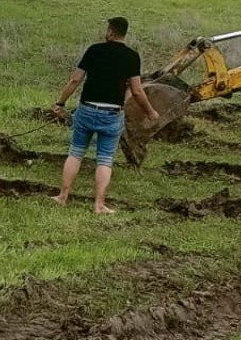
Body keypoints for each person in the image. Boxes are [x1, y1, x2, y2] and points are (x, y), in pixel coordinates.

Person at [52, 17, 161, 214]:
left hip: (86, 110)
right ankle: (99, 205)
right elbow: (136, 91)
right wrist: (151, 112)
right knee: (104, 159)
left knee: (76, 153)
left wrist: (60, 103)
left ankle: (62, 196)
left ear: (110, 31)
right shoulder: (132, 57)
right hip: (111, 114)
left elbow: (75, 79)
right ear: (124, 33)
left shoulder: (94, 50)